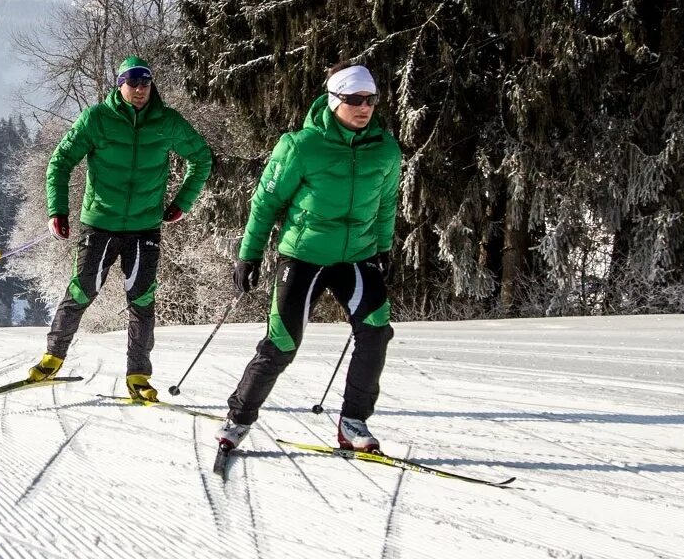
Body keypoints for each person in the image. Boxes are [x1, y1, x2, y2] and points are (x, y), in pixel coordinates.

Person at [218, 63, 403, 454]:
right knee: (282, 343)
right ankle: (238, 419)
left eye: (370, 99)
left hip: (357, 256)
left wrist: (383, 247)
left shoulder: (385, 149)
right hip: (303, 256)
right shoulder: (301, 145)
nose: (364, 107)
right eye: (354, 99)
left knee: (376, 331)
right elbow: (265, 203)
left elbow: (386, 204)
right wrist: (248, 255)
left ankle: (354, 422)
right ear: (335, 101)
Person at [27, 56, 213, 401]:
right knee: (81, 292)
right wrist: (58, 210)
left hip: (145, 229)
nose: (140, 90)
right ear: (120, 85)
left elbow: (202, 157)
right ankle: (52, 358)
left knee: (142, 302)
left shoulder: (167, 122)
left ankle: (138, 376)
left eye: (145, 83)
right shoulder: (96, 119)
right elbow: (60, 162)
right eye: (133, 83)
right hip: (99, 226)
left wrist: (182, 202)